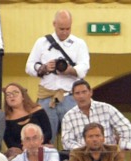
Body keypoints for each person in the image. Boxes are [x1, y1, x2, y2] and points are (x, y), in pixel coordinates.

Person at [25, 8, 90, 140]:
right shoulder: (42, 42)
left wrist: (69, 70)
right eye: (61, 29)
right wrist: (43, 68)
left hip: (70, 97)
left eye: (68, 28)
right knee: (45, 138)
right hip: (47, 97)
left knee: (75, 137)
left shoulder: (79, 44)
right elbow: (29, 66)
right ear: (54, 24)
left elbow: (84, 67)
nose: (64, 32)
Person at [60, 79, 131, 153]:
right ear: (73, 96)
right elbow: (67, 141)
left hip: (108, 155)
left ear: (90, 92)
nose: (81, 96)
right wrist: (84, 151)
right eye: (77, 93)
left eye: (84, 92)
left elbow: (126, 128)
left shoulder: (106, 108)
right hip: (83, 156)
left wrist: (122, 149)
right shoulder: (68, 117)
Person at [2, 82, 53, 158]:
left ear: (23, 96)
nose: (11, 96)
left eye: (15, 93)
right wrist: (25, 147)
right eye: (8, 94)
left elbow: (48, 132)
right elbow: (10, 142)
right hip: (20, 152)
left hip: (41, 146)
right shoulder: (5, 119)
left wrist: (36, 145)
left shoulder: (38, 111)